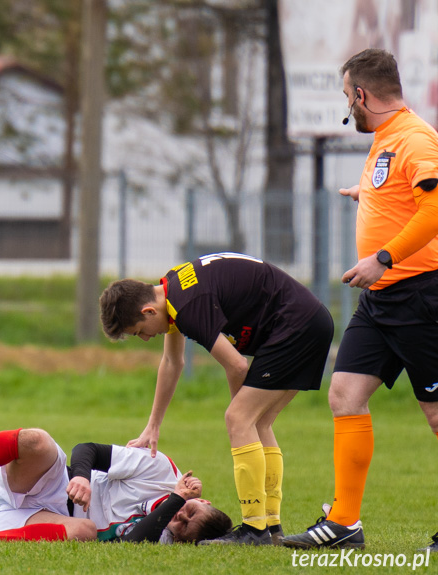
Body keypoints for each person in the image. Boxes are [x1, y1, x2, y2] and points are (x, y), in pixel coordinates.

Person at [283, 49, 438, 553]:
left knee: (436, 414)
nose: (348, 106)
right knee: (345, 395)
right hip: (382, 300)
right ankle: (345, 523)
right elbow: (405, 196)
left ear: (360, 94)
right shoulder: (388, 139)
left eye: (347, 96)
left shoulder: (414, 136)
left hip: (421, 295)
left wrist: (384, 258)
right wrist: (368, 197)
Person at [99, 252, 334, 546]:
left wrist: (240, 415)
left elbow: (236, 365)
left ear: (148, 311)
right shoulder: (172, 289)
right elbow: (173, 362)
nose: (146, 338)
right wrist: (153, 425)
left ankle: (254, 530)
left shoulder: (187, 306)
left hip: (296, 326)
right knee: (258, 424)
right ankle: (271, 526)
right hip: (308, 322)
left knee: (240, 419)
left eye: (139, 332)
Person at [0, 428, 232, 543]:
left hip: (40, 522)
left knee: (85, 531)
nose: (179, 518)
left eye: (185, 529)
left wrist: (174, 501)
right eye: (191, 512)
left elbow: (134, 543)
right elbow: (88, 450)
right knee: (37, 440)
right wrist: (80, 475)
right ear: (204, 499)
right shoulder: (160, 469)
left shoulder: (164, 533)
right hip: (53, 484)